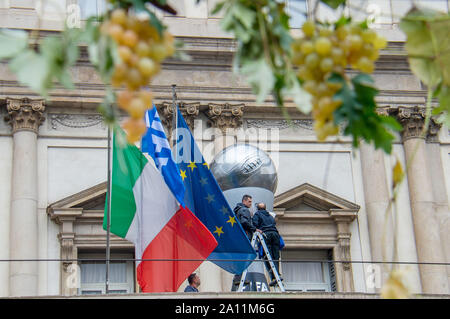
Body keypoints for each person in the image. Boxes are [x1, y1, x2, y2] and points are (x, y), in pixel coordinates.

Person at [252, 202, 283, 287]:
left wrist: (255, 229)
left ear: (258, 208)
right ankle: (278, 275)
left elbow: (254, 225)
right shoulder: (270, 215)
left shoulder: (257, 214)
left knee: (267, 256)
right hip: (275, 235)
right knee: (275, 256)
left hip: (266, 235)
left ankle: (273, 277)